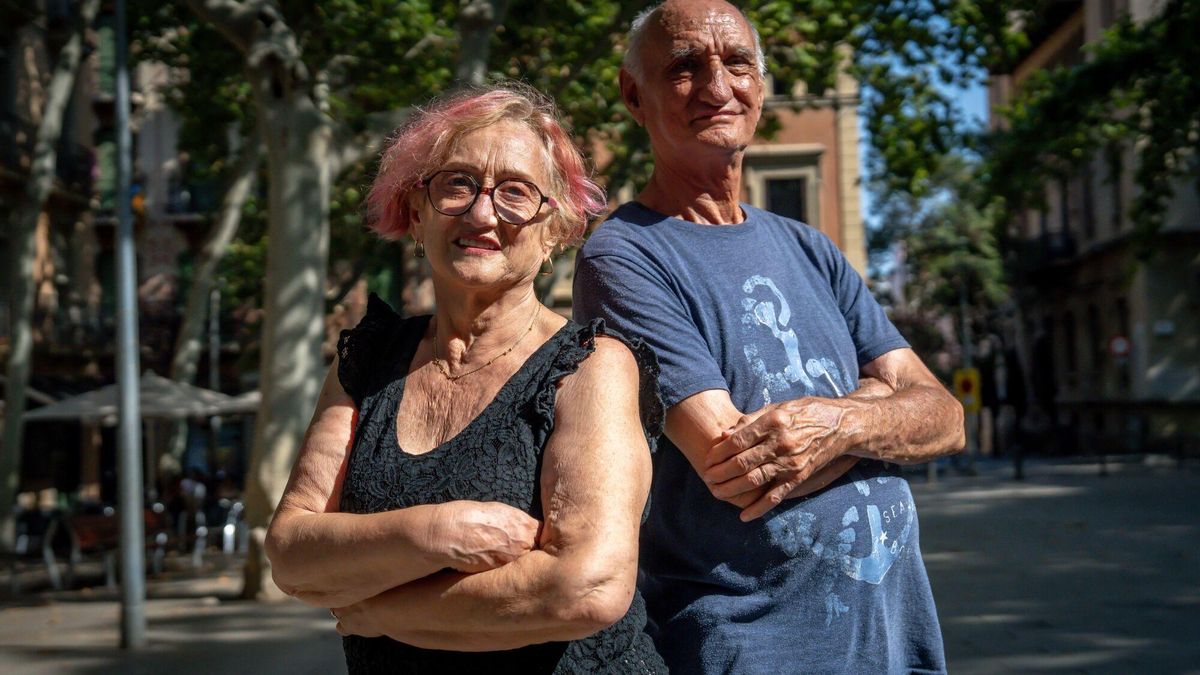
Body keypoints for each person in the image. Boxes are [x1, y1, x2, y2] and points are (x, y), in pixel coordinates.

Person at [572, 2, 966, 673]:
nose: (719, 87)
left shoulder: (811, 248)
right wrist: (881, 408)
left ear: (761, 84)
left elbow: (948, 418)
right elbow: (739, 467)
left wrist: (838, 422)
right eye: (686, 67)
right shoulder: (624, 257)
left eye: (738, 62)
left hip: (894, 641)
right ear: (634, 95)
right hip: (757, 647)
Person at [266, 84, 667, 674]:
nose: (482, 214)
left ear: (554, 227)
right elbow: (292, 555)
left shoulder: (592, 365)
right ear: (417, 210)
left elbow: (586, 587)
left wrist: (374, 613)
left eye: (515, 193)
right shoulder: (370, 362)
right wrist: (438, 532)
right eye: (456, 185)